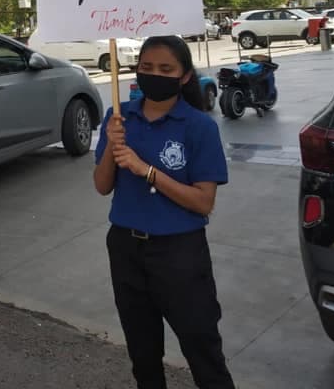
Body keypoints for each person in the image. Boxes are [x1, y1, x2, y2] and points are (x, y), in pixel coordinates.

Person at [93, 36, 234, 389]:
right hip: (125, 248)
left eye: (165, 69)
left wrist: (147, 171)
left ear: (184, 76)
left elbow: (203, 202)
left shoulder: (199, 126)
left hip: (179, 253)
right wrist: (112, 144)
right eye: (147, 67)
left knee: (202, 347)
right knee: (142, 351)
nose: (154, 74)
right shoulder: (119, 116)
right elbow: (102, 185)